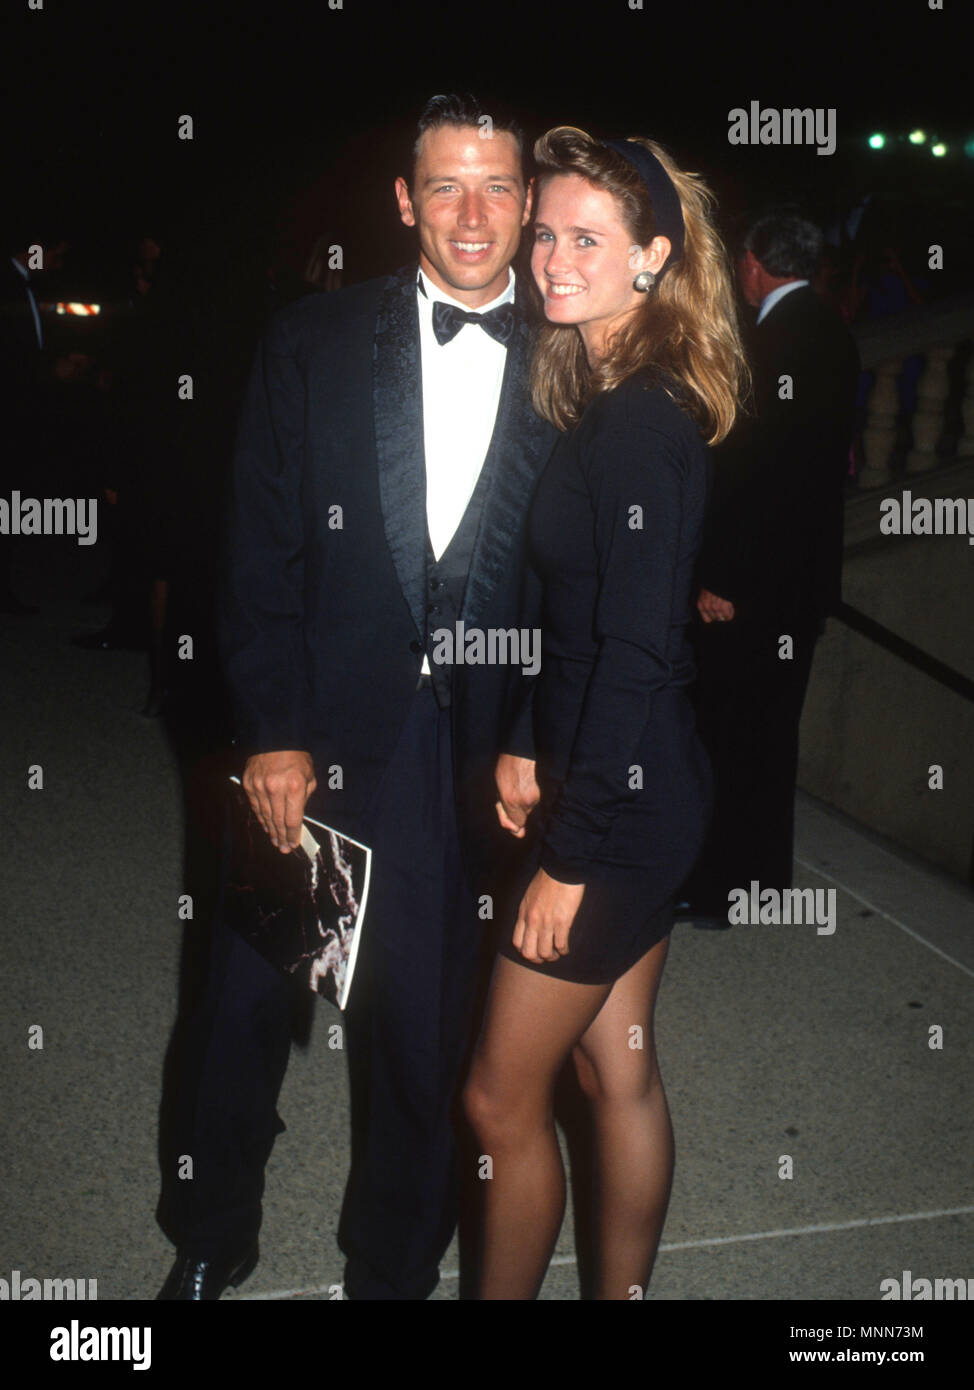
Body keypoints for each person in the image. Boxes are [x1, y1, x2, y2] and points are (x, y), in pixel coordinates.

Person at [157, 93, 557, 1300]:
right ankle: (210, 1232)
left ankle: (391, 1266)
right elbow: (260, 548)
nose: (473, 213)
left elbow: (583, 584)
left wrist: (535, 736)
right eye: (445, 185)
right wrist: (269, 728)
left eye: (496, 185)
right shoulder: (313, 343)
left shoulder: (579, 357)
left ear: (529, 201)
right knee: (240, 1014)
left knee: (421, 1040)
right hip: (318, 745)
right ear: (404, 202)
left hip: (469, 763)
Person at [461, 127, 747, 1299]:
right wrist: (532, 735)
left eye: (587, 238)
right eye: (545, 233)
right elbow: (589, 620)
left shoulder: (635, 421)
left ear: (652, 259)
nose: (550, 257)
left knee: (495, 1093)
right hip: (638, 775)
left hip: (620, 809)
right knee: (613, 1070)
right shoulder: (622, 390)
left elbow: (633, 646)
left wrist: (568, 858)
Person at [683, 210, 860, 919]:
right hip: (796, 587)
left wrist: (723, 579)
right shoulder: (833, 333)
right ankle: (757, 884)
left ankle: (720, 890)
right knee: (768, 740)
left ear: (754, 264)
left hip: (750, 592)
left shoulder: (770, 342)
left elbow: (758, 478)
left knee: (726, 738)